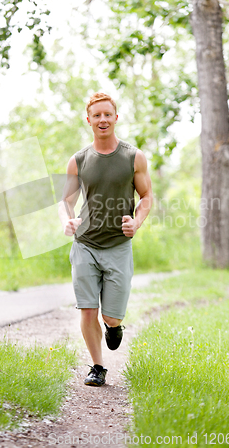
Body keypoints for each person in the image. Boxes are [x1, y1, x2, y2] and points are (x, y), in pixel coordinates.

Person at [59, 92, 153, 387]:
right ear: (88, 120)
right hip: (85, 244)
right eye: (96, 115)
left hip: (118, 246)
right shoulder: (78, 160)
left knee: (111, 317)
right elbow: (66, 200)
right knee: (88, 308)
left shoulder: (132, 157)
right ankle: (97, 367)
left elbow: (147, 196)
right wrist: (68, 221)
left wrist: (135, 223)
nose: (102, 119)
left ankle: (114, 327)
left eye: (107, 114)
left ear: (115, 118)